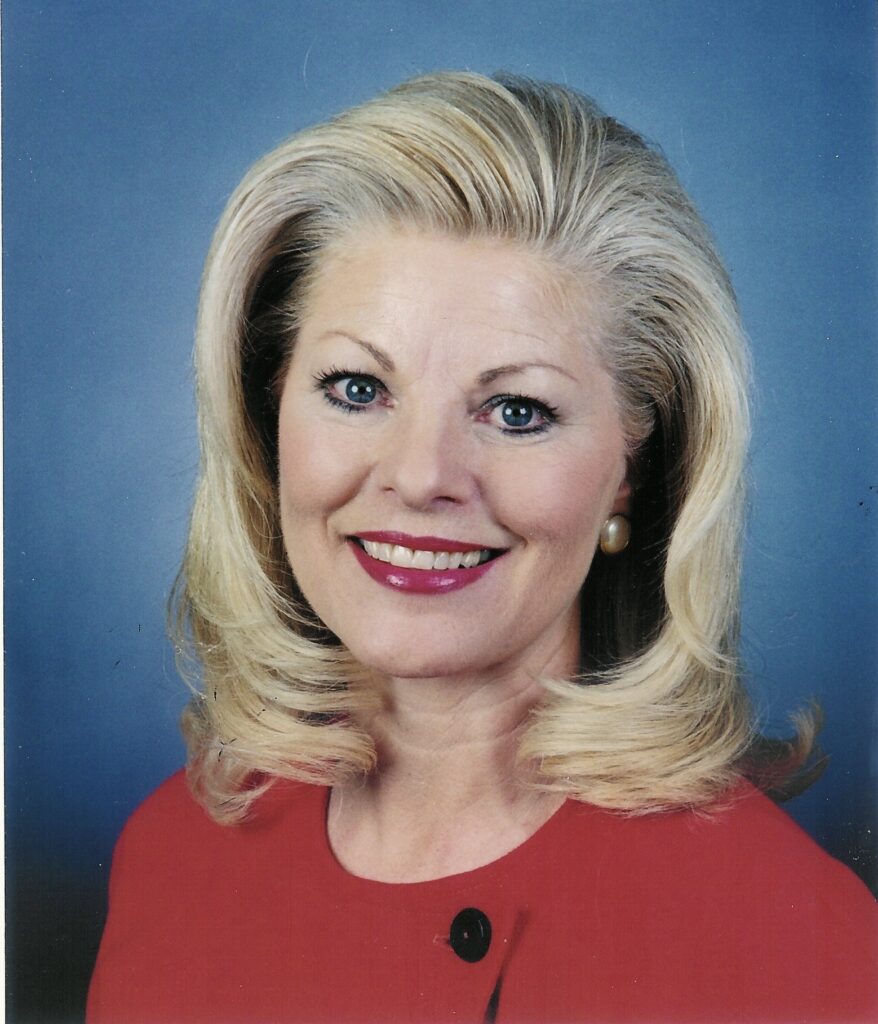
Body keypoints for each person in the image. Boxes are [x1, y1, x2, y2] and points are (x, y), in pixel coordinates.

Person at [87, 71, 877, 1023]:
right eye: (356, 389)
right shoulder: (173, 853)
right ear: (267, 418)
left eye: (516, 410)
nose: (422, 476)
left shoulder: (789, 935)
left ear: (631, 468)